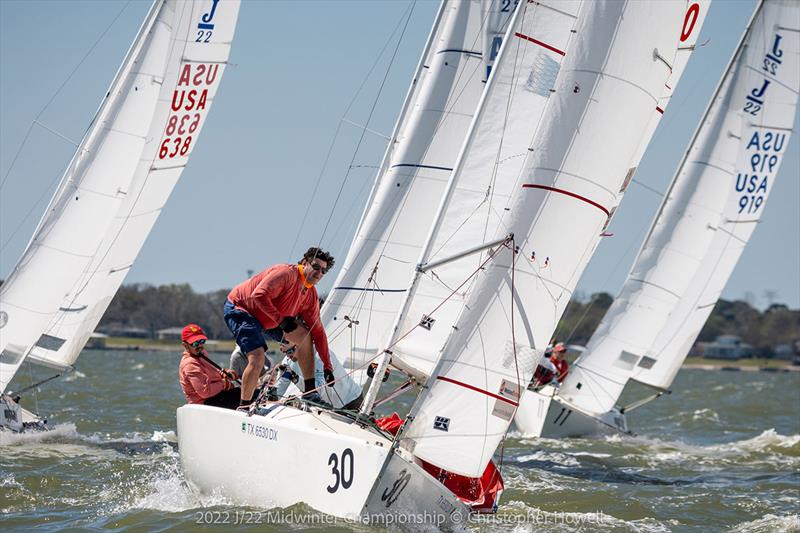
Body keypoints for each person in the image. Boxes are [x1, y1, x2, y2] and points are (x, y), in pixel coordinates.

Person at [224, 247, 336, 406]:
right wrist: (281, 321)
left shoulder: (311, 296)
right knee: (257, 357)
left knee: (305, 336)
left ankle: (310, 393)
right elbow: (258, 295)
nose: (319, 273)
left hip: (269, 319)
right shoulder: (286, 274)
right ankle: (244, 407)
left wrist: (327, 366)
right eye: (316, 267)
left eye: (324, 271)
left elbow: (318, 333)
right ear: (304, 263)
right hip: (243, 309)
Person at [178, 324, 241, 409]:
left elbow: (212, 371)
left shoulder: (201, 353)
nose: (200, 346)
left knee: (248, 393)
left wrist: (224, 373)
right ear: (185, 345)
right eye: (195, 343)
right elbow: (205, 392)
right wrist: (225, 384)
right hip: (204, 404)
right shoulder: (189, 364)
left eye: (202, 341)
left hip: (215, 397)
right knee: (246, 395)